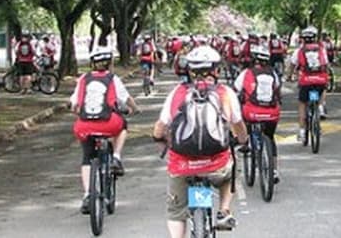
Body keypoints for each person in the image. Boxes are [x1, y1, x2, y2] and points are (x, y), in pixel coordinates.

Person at [152, 45, 247, 237]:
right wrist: (243, 141)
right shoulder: (225, 93)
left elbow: (160, 126)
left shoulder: (177, 93)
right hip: (216, 163)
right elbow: (237, 124)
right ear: (216, 70)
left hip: (182, 165)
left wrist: (158, 138)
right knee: (232, 171)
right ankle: (224, 211)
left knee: (175, 212)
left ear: (190, 70)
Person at [70, 47, 137, 213]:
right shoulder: (113, 79)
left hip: (84, 126)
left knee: (87, 156)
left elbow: (74, 104)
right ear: (110, 63)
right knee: (123, 126)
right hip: (109, 123)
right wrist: (134, 109)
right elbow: (126, 98)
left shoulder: (83, 79)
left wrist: (79, 113)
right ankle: (116, 157)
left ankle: (88, 194)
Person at [233, 45, 282, 182]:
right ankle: (274, 170)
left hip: (252, 113)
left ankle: (246, 143)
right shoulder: (273, 73)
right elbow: (278, 90)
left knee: (242, 115)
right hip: (271, 114)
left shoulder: (246, 73)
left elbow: (236, 89)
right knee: (270, 138)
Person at [293, 26, 330, 141]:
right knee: (323, 89)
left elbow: (293, 65)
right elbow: (326, 64)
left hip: (306, 81)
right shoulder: (321, 49)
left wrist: (289, 75)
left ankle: (302, 131)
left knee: (302, 104)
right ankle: (320, 106)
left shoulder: (299, 50)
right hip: (320, 79)